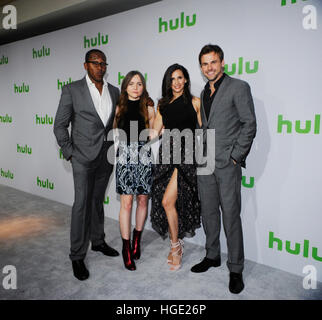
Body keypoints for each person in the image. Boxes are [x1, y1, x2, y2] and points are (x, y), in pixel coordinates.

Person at [191, 44, 257, 294]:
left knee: (230, 216)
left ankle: (236, 269)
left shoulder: (239, 87)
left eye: (213, 62)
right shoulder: (203, 92)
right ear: (201, 67)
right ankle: (212, 255)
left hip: (227, 165)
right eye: (205, 64)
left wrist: (235, 157)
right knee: (208, 213)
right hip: (205, 163)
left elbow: (249, 124)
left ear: (222, 63)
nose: (209, 67)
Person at [53, 49, 120, 281]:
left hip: (106, 156)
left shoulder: (114, 91)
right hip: (82, 156)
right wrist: (70, 153)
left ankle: (98, 241)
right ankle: (77, 255)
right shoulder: (72, 90)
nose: (100, 67)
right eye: (95, 63)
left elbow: (115, 123)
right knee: (81, 204)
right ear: (85, 65)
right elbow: (59, 126)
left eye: (103, 63)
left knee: (97, 201)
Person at [150, 63, 202, 271]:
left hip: (187, 155)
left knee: (167, 201)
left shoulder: (195, 102)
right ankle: (176, 245)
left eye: (180, 78)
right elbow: (155, 131)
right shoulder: (162, 104)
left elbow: (204, 131)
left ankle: (175, 247)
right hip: (166, 155)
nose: (176, 82)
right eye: (172, 79)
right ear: (168, 82)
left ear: (186, 79)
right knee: (168, 204)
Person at [114, 71, 155, 271]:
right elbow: (112, 130)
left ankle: (137, 240)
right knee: (127, 202)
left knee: (142, 199)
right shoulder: (118, 107)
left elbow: (154, 132)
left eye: (139, 83)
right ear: (125, 86)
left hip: (144, 154)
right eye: (131, 83)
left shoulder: (148, 106)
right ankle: (126, 248)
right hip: (124, 155)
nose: (136, 87)